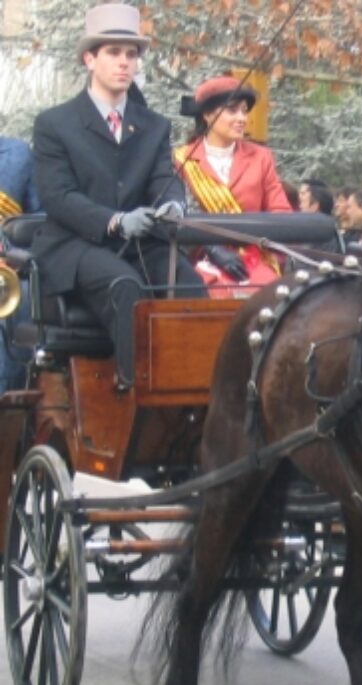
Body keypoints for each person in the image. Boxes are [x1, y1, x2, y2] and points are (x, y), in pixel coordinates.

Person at [31, 4, 203, 392]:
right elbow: (58, 197)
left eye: (131, 54)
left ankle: (197, 398)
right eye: (113, 52)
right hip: (77, 247)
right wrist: (114, 221)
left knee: (190, 286)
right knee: (124, 286)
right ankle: (136, 394)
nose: (124, 63)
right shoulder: (55, 124)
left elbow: (166, 178)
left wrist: (174, 205)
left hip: (142, 243)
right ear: (89, 58)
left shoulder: (154, 126)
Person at [175, 74, 292, 296]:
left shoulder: (261, 157)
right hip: (200, 260)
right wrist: (211, 248)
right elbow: (177, 218)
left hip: (255, 259)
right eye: (232, 110)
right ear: (208, 114)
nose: (242, 118)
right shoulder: (181, 160)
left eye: (245, 110)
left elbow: (281, 213)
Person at [0, 136, 40, 394]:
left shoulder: (18, 154)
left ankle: (11, 416)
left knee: (19, 296)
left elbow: (41, 223)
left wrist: (15, 256)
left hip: (7, 272)